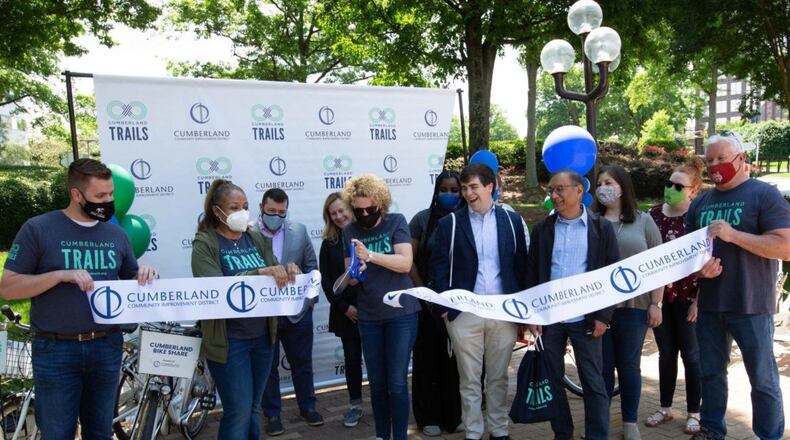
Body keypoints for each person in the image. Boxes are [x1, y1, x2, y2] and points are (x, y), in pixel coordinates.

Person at [0, 158, 158, 439]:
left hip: (107, 346)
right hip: (56, 349)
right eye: (100, 196)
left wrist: (144, 274)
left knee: (100, 431)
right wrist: (59, 275)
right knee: (58, 432)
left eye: (110, 194)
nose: (108, 201)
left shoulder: (115, 234)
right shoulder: (38, 229)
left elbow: (132, 279)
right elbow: (9, 288)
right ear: (76, 194)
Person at [686, 131, 790, 440]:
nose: (716, 165)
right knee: (711, 374)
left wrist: (735, 236)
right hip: (710, 305)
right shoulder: (701, 201)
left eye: (722, 158)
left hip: (751, 304)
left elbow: (785, 247)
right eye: (710, 160)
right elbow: (690, 255)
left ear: (740, 159)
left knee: (762, 378)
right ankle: (712, 430)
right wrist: (699, 273)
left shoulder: (764, 195)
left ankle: (769, 435)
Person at [191, 179, 296, 440]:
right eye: (234, 206)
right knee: (237, 410)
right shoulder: (205, 242)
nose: (242, 212)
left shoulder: (256, 237)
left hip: (262, 338)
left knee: (253, 407)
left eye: (245, 206)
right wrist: (259, 272)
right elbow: (214, 287)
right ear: (217, 211)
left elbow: (274, 273)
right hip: (229, 340)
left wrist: (289, 271)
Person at [431, 163, 528, 440]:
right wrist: (444, 309)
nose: (468, 193)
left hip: (502, 310)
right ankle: (473, 432)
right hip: (464, 314)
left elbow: (521, 264)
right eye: (464, 189)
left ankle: (499, 430)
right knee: (469, 379)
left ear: (490, 187)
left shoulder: (511, 220)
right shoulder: (449, 224)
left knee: (498, 377)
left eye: (473, 187)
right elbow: (438, 268)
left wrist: (522, 307)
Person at [526, 169, 619, 440]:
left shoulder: (601, 228)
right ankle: (562, 432)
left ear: (579, 191)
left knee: (594, 382)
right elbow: (532, 273)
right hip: (550, 320)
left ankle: (597, 435)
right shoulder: (543, 229)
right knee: (553, 378)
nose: (554, 195)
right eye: (551, 190)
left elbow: (611, 276)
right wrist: (533, 314)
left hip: (587, 319)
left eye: (560, 189)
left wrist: (604, 317)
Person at [341, 174, 419, 440]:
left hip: (401, 313)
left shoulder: (396, 222)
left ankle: (400, 436)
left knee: (396, 382)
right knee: (376, 383)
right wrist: (356, 270)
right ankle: (381, 435)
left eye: (370, 209)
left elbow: (405, 263)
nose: (364, 214)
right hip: (369, 314)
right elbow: (349, 278)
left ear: (381, 204)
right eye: (358, 210)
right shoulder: (349, 231)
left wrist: (371, 256)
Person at [592, 164, 664, 440]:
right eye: (599, 183)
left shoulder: (644, 221)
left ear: (622, 186)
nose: (603, 188)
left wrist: (656, 303)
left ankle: (630, 423)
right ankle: (600, 422)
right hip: (600, 311)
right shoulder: (591, 221)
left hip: (634, 308)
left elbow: (659, 265)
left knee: (629, 366)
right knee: (603, 367)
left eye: (608, 182)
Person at [256, 188, 323, 435]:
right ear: (261, 207)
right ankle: (272, 415)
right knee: (267, 367)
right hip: (264, 315)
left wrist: (308, 304)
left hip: (297, 313)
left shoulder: (299, 230)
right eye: (271, 211)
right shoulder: (247, 233)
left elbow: (312, 268)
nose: (276, 216)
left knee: (302, 363)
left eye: (281, 212)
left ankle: (308, 407)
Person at [645, 158, 705, 434]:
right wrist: (651, 301)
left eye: (678, 186)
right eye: (669, 183)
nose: (671, 188)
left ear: (693, 190)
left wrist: (698, 300)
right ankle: (665, 407)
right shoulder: (652, 215)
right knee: (666, 353)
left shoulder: (699, 218)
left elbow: (710, 260)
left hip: (688, 298)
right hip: (661, 299)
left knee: (691, 356)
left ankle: (695, 412)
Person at [408, 170, 463, 437]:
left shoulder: (466, 218)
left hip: (458, 304)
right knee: (426, 359)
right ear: (436, 190)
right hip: (426, 304)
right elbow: (409, 261)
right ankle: (427, 417)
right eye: (445, 189)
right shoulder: (422, 219)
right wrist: (424, 294)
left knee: (454, 361)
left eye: (455, 190)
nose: (450, 195)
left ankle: (453, 416)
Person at [318, 192, 365, 428]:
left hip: (373, 311)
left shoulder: (367, 235)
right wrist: (345, 307)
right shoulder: (329, 243)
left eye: (341, 210)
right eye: (333, 213)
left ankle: (382, 403)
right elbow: (326, 281)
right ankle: (355, 406)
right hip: (346, 313)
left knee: (379, 361)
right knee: (352, 359)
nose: (338, 216)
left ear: (351, 208)